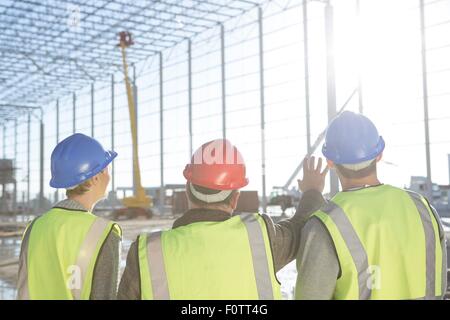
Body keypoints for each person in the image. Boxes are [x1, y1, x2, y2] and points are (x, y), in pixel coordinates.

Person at [118, 139, 328, 299]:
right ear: (235, 198)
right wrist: (312, 190)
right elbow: (301, 225)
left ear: (187, 190)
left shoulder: (147, 252)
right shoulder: (261, 238)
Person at [295, 111, 447, 300]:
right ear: (380, 154)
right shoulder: (423, 210)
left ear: (330, 162)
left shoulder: (325, 225)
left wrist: (311, 193)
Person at [17, 133, 122, 300]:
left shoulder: (34, 227)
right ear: (95, 177)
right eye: (106, 170)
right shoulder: (104, 234)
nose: (109, 176)